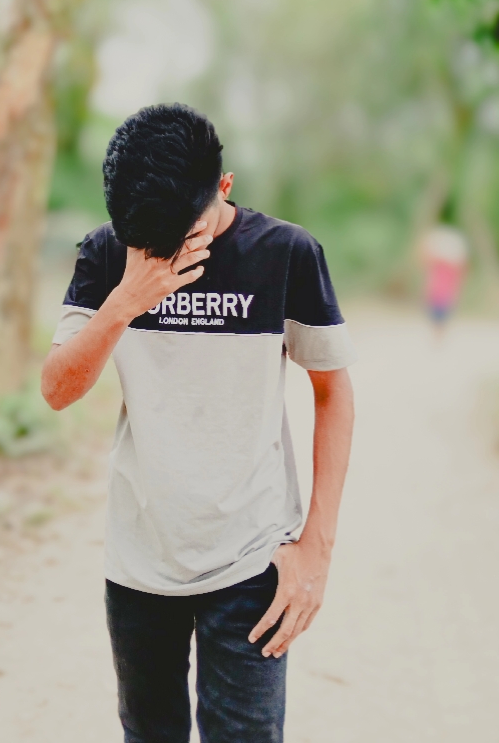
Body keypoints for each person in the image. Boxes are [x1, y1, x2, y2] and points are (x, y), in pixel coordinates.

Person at [41, 103, 356, 743]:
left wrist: (316, 550)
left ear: (225, 187)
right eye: (147, 240)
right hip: (139, 560)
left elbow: (334, 392)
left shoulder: (287, 254)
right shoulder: (110, 252)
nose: (167, 251)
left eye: (186, 231)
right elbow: (56, 390)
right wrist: (125, 302)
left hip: (251, 559)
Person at [419, 223, 469, 337]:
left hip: (443, 297)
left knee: (440, 320)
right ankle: (438, 334)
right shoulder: (441, 265)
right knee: (437, 319)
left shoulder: (449, 267)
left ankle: (438, 334)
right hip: (436, 296)